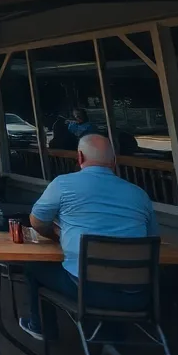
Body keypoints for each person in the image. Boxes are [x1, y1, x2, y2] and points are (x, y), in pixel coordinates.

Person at [18, 135, 158, 344]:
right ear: (113, 161)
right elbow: (152, 237)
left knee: (34, 268)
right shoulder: (139, 194)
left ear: (80, 156)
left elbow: (36, 221)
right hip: (137, 295)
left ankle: (41, 328)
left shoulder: (63, 184)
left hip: (87, 291)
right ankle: (113, 333)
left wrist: (56, 235)